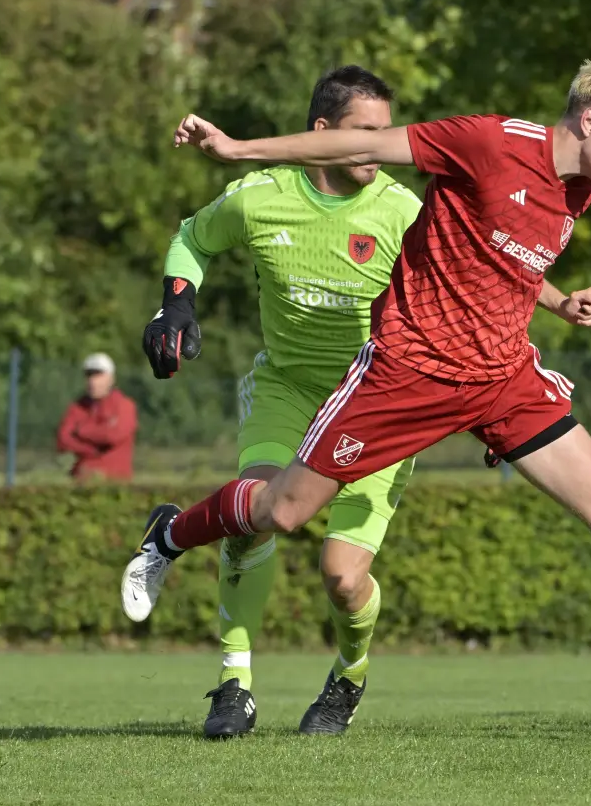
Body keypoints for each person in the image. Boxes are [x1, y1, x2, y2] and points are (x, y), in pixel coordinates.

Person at [121, 58, 591, 714]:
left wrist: (561, 304)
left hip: (500, 380)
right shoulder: (489, 141)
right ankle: (172, 535)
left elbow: (499, 257)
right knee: (281, 512)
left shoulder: (580, 189)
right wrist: (238, 148)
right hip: (406, 374)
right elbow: (367, 141)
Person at [140, 66, 470, 738]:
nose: (382, 147)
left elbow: (470, 288)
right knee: (253, 514)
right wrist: (177, 304)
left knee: (343, 580)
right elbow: (192, 239)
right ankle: (235, 685)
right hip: (286, 390)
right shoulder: (259, 197)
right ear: (320, 134)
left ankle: (350, 675)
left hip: (377, 404)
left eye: (389, 134)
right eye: (365, 133)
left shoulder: (403, 209)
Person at [56, 353, 138, 482]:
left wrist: (81, 431)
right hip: (81, 480)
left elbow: (112, 435)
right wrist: (92, 450)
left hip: (116, 483)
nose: (93, 381)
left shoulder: (124, 405)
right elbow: (63, 439)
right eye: (89, 376)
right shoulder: (77, 406)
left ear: (111, 378)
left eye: (99, 375)